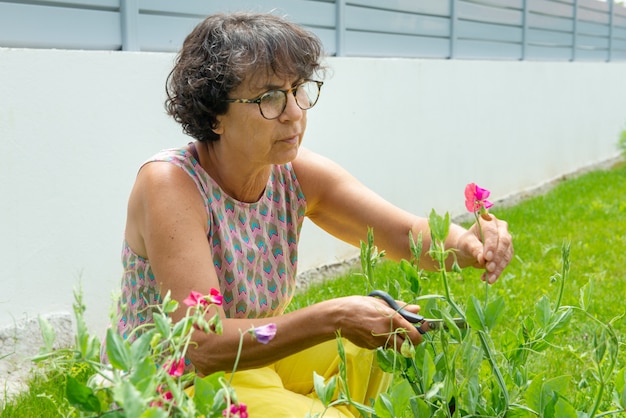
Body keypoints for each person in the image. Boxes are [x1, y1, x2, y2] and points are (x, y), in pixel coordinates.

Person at [114, 11, 513, 417]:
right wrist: (333, 317)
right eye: (269, 98)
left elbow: (403, 234)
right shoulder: (170, 184)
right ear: (215, 113)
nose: (294, 112)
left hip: (256, 358)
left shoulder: (295, 174)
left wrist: (469, 244)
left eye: (298, 90)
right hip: (175, 381)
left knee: (384, 341)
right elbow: (201, 346)